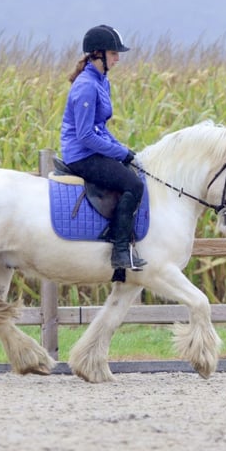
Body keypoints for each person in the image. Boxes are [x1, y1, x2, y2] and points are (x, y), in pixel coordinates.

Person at [60, 24, 147, 271]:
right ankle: (120, 251)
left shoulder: (101, 81)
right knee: (133, 184)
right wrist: (120, 153)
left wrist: (123, 149)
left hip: (93, 150)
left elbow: (101, 128)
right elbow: (86, 135)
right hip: (82, 155)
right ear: (98, 54)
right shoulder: (87, 85)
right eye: (113, 53)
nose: (118, 58)